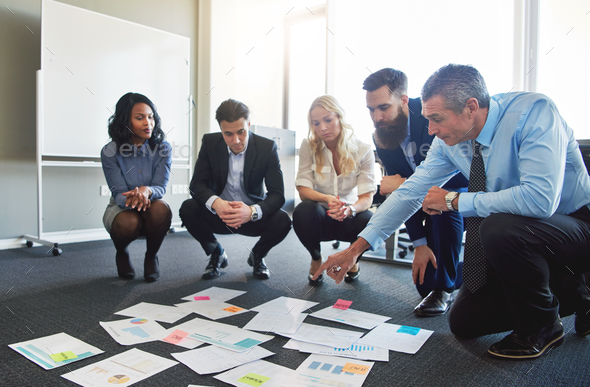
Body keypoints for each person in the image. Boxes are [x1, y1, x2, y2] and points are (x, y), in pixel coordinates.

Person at [314, 64, 590, 359]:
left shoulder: (534, 113)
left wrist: (454, 201)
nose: (431, 130)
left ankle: (543, 325)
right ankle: (575, 294)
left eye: (437, 119)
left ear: (471, 107)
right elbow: (410, 193)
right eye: (428, 120)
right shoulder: (448, 141)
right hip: (518, 235)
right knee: (465, 321)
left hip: (572, 225)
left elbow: (540, 200)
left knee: (497, 227)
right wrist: (355, 250)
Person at [363, 68, 468, 316]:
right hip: (425, 206)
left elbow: (460, 176)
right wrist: (419, 244)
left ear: (404, 101)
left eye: (383, 107)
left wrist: (405, 184)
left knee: (442, 203)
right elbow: (402, 197)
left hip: (461, 198)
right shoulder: (383, 135)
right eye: (370, 109)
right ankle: (470, 270)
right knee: (424, 285)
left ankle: (445, 288)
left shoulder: (433, 115)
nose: (376, 117)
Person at [179, 98, 291, 280]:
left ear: (249, 124)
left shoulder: (266, 147)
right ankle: (216, 253)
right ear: (220, 130)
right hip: (219, 215)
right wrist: (216, 203)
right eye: (228, 134)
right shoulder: (210, 143)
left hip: (252, 216)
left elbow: (277, 195)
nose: (236, 140)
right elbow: (196, 185)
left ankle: (258, 256)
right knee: (188, 209)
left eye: (241, 132)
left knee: (283, 220)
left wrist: (252, 211)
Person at [293, 95, 376, 285]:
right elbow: (303, 189)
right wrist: (327, 198)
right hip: (320, 217)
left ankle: (352, 258)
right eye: (316, 123)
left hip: (349, 215)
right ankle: (316, 258)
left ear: (340, 117)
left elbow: (366, 197)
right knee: (304, 210)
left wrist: (350, 209)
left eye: (328, 120)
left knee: (369, 219)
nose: (322, 128)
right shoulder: (309, 146)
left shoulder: (363, 149)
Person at [101, 92, 172, 282]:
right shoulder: (110, 151)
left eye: (150, 117)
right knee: (128, 223)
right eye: (139, 118)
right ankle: (121, 252)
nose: (148, 123)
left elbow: (160, 187)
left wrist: (146, 191)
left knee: (161, 209)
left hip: (151, 202)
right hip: (121, 205)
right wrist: (134, 197)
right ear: (125, 121)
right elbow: (118, 193)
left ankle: (151, 256)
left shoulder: (163, 148)